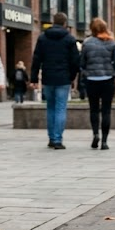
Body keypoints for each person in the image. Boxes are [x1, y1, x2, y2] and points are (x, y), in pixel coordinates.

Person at [30, 13, 80, 149]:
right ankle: (58, 139)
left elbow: (36, 58)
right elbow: (75, 60)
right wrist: (72, 76)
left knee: (50, 108)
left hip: (48, 77)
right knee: (60, 108)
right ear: (65, 23)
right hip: (63, 78)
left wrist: (33, 77)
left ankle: (52, 137)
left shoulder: (43, 38)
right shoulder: (69, 39)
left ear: (53, 22)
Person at [81, 18, 115, 150]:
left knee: (93, 109)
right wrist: (110, 68)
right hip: (108, 80)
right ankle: (104, 141)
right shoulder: (111, 43)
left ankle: (95, 134)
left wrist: (87, 71)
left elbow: (82, 63)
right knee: (106, 111)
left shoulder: (87, 43)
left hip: (92, 80)